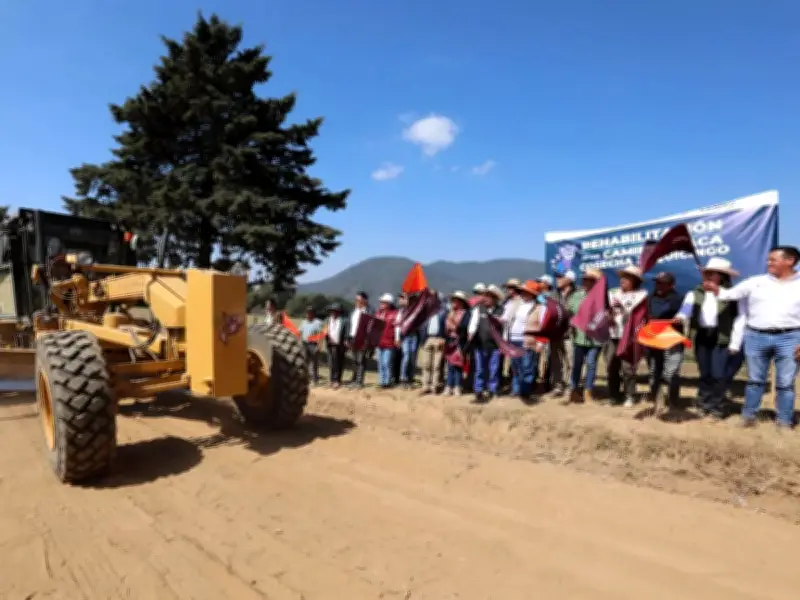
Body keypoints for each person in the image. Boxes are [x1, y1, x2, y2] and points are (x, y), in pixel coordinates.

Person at [703, 246, 800, 428]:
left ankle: (784, 421)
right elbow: (730, 294)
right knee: (755, 380)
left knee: (785, 383)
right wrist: (715, 289)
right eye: (768, 259)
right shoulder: (755, 282)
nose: (768, 263)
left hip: (791, 337)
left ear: (790, 261)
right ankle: (748, 417)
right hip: (756, 336)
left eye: (773, 260)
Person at [675, 259, 745, 419]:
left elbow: (739, 318)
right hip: (703, 336)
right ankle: (704, 404)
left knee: (718, 374)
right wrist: (680, 316)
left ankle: (717, 408)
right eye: (706, 273)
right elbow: (686, 309)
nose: (707, 276)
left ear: (721, 276)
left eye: (711, 273)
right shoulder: (695, 293)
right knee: (705, 372)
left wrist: (735, 342)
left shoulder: (732, 294)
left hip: (722, 336)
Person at [606, 266, 648, 407]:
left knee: (627, 368)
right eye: (622, 277)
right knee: (611, 366)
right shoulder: (612, 293)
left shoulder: (641, 295)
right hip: (613, 335)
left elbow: (641, 317)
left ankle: (630, 395)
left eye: (627, 277)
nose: (623, 280)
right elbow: (606, 311)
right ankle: (613, 396)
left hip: (629, 337)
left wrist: (624, 310)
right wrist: (608, 315)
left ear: (635, 281)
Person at [646, 272, 685, 413]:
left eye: (662, 283)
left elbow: (684, 313)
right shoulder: (650, 298)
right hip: (653, 340)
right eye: (657, 282)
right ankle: (657, 402)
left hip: (671, 340)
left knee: (671, 373)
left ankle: (673, 402)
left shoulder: (679, 298)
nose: (658, 285)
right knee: (654, 372)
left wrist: (679, 319)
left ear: (671, 285)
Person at [565, 268, 604, 404]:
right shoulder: (576, 296)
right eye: (584, 280)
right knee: (577, 365)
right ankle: (574, 390)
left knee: (591, 363)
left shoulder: (602, 297)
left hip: (596, 338)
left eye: (589, 280)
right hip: (579, 337)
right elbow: (569, 311)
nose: (586, 282)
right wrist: (571, 321)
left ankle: (588, 391)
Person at [467, 284, 505, 402]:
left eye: (489, 297)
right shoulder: (479, 309)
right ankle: (478, 390)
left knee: (494, 368)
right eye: (485, 296)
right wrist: (470, 335)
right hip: (480, 343)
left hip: (495, 345)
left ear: (494, 298)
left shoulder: (501, 310)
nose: (486, 299)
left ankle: (492, 390)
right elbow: (473, 324)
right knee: (480, 368)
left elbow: (504, 327)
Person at [505, 280, 538, 400]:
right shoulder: (517, 304)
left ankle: (525, 390)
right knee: (515, 366)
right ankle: (516, 389)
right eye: (523, 291)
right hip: (514, 337)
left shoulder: (537, 307)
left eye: (526, 292)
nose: (523, 293)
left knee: (527, 365)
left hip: (527, 339)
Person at [418, 290, 447, 395]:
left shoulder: (443, 312)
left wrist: (443, 338)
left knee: (437, 365)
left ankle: (435, 386)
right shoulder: (426, 312)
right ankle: (426, 386)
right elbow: (422, 326)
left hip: (438, 339)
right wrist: (422, 339)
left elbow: (446, 326)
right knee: (426, 364)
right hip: (427, 339)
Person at [444, 291, 471, 396]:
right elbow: (446, 326)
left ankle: (457, 386)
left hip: (460, 342)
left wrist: (454, 325)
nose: (453, 302)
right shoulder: (450, 313)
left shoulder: (466, 314)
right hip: (450, 341)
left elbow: (464, 327)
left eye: (455, 301)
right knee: (450, 365)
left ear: (461, 302)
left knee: (458, 365)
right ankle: (448, 386)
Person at [347, 291, 371, 389]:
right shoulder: (353, 311)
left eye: (359, 299)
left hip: (363, 338)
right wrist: (347, 338)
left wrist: (368, 340)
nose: (356, 301)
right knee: (354, 360)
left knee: (361, 360)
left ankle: (359, 381)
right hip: (353, 338)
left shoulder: (369, 311)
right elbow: (350, 325)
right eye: (356, 299)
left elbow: (371, 327)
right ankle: (354, 379)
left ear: (365, 300)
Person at [395, 293, 420, 389]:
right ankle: (403, 378)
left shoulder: (415, 311)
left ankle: (410, 378)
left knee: (413, 357)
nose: (403, 300)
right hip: (405, 336)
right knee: (406, 356)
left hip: (414, 336)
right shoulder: (401, 312)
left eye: (405, 298)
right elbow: (398, 325)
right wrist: (397, 338)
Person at [375, 293, 399, 388]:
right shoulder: (378, 313)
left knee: (386, 362)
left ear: (389, 303)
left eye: (383, 302)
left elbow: (397, 327)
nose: (381, 304)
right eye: (381, 302)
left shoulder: (395, 314)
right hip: (379, 342)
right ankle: (382, 381)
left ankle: (387, 381)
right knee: (380, 363)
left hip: (389, 342)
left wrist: (397, 339)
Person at [324, 303, 348, 389]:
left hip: (339, 345)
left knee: (338, 363)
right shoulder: (327, 320)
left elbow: (346, 333)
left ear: (339, 312)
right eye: (332, 311)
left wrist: (346, 341)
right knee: (331, 363)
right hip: (330, 344)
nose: (334, 313)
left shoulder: (344, 321)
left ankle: (337, 380)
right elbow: (324, 330)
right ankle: (331, 380)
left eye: (336, 311)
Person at [299, 306, 323, 386]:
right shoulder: (304, 322)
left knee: (314, 363)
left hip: (313, 344)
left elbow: (320, 335)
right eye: (307, 312)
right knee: (305, 362)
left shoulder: (318, 322)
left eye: (310, 312)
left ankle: (315, 380)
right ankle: (306, 379)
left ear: (313, 313)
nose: (308, 314)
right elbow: (299, 332)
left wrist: (319, 345)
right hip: (304, 343)